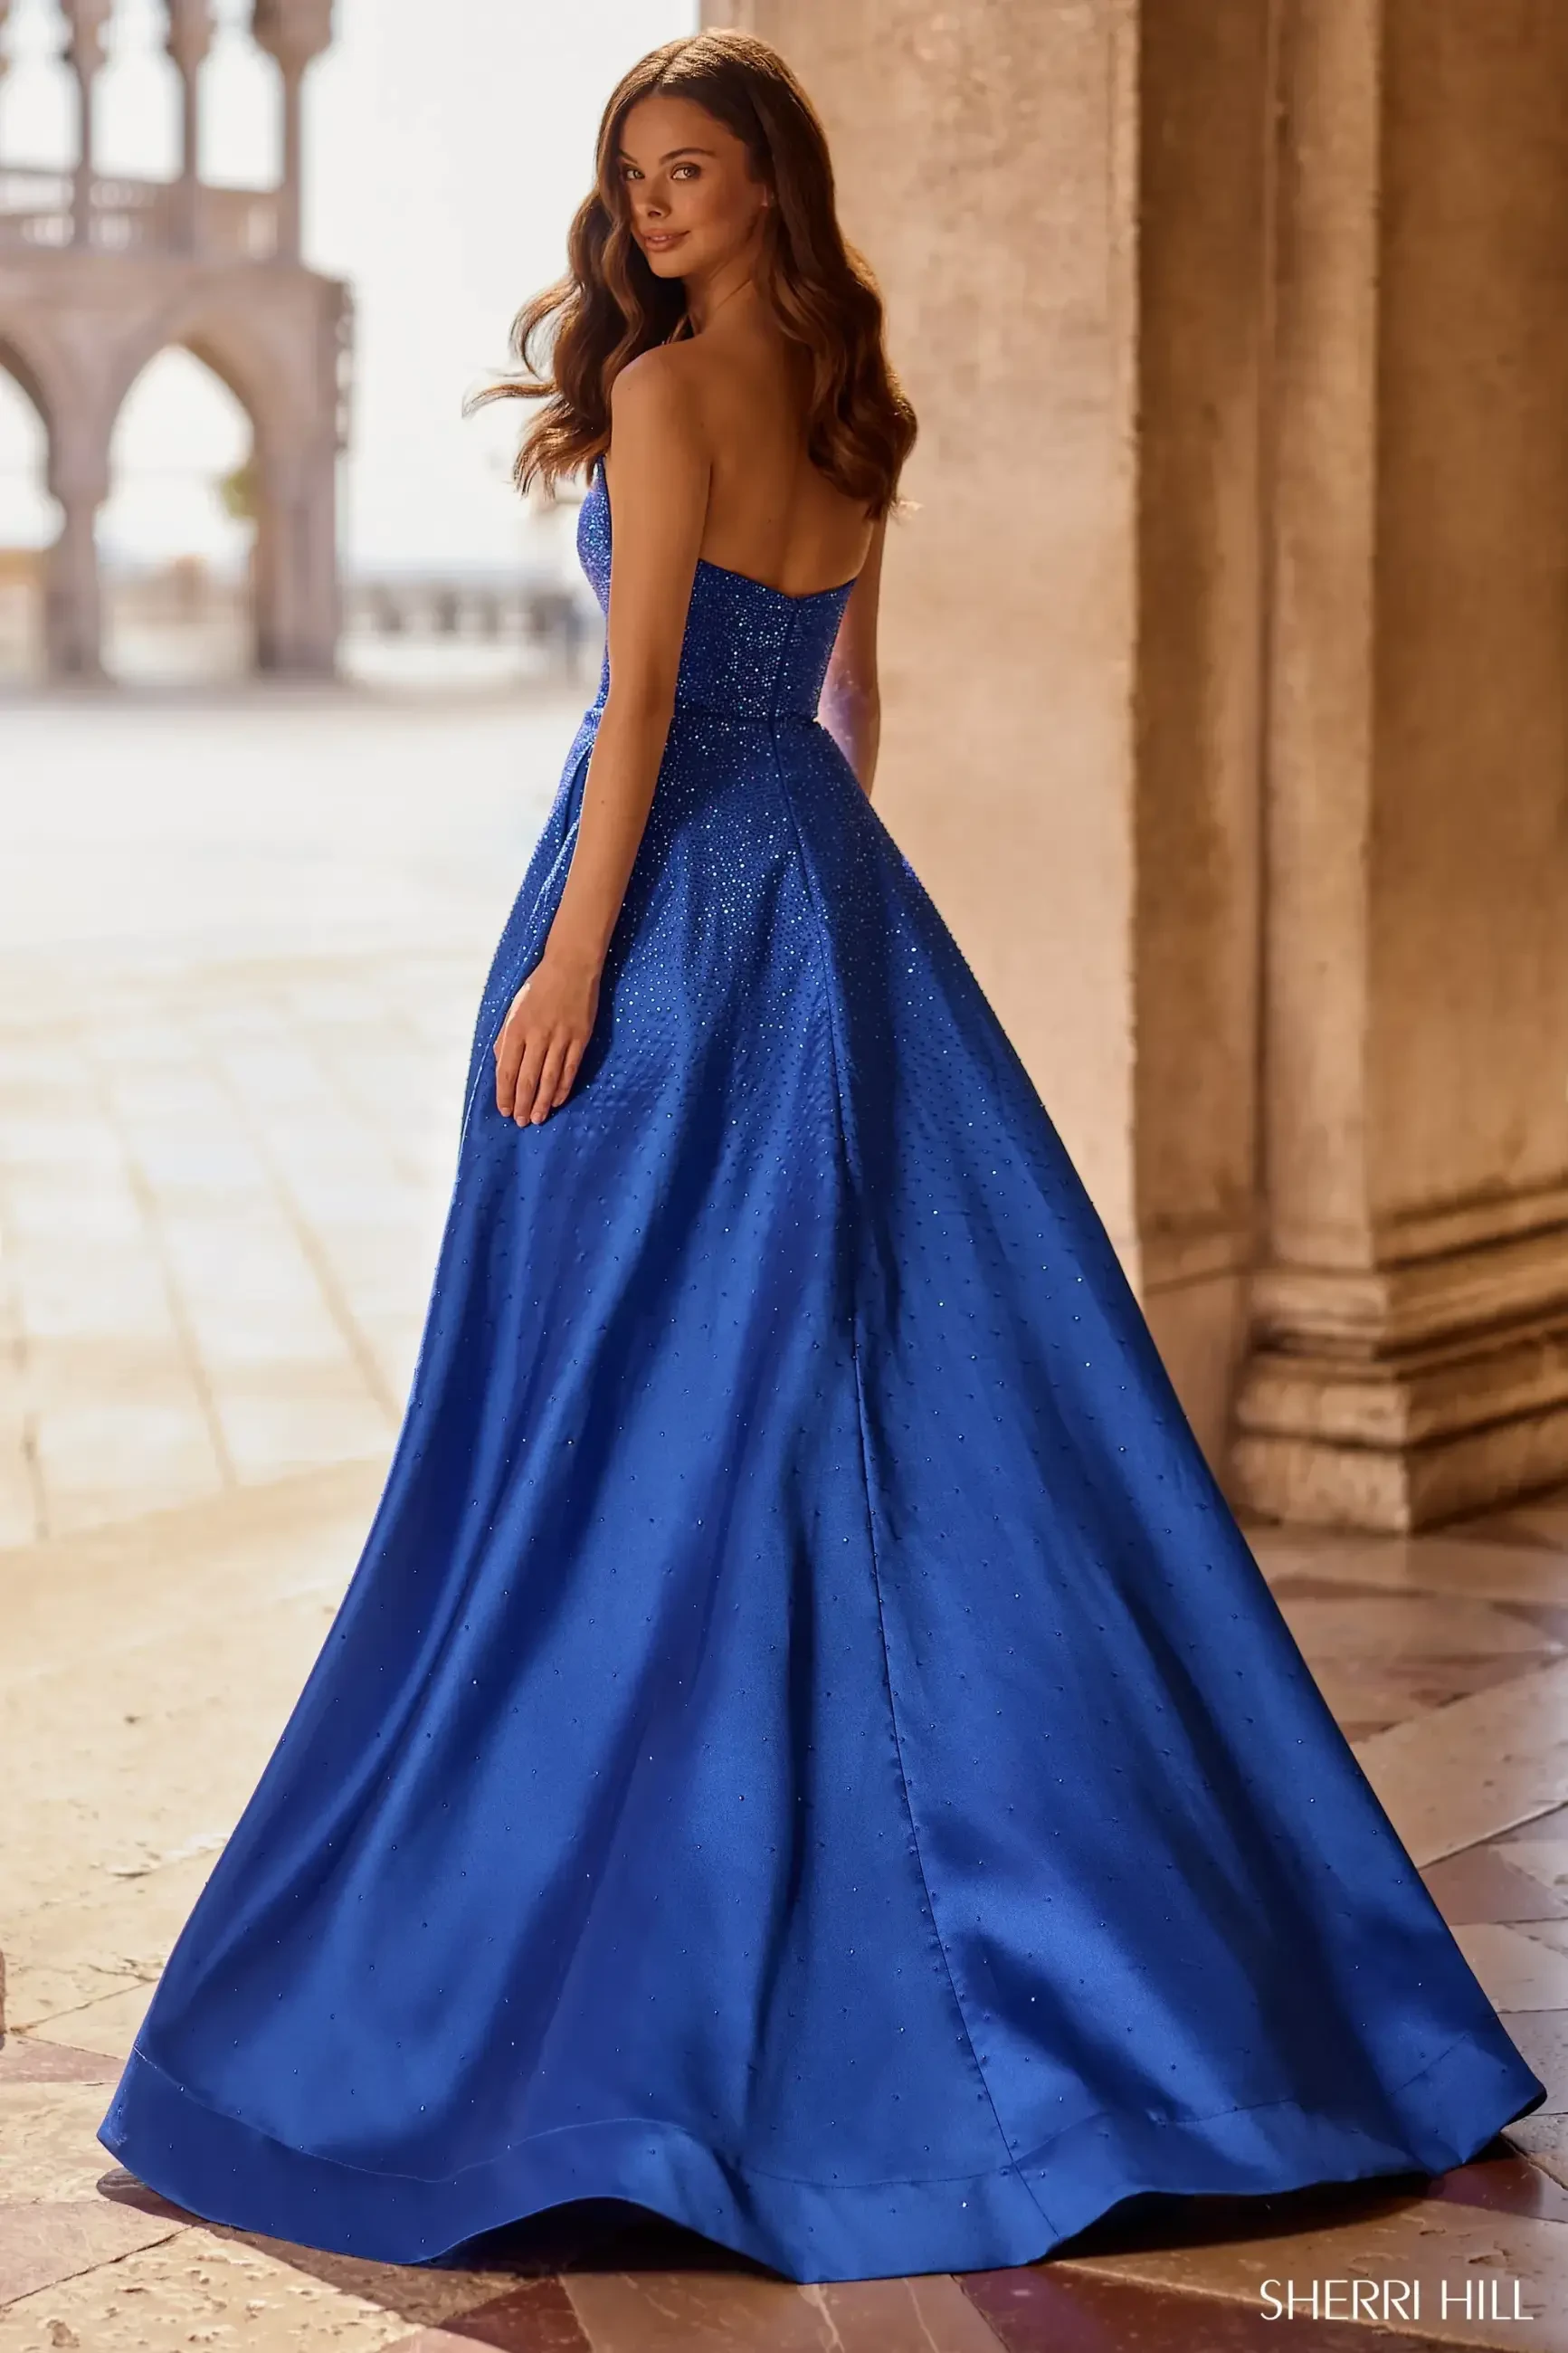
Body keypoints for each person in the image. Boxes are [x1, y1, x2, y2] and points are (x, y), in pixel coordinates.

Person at [101, 28, 1545, 2288]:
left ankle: (598, 1931)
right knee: (843, 1411)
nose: (650, 208)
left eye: (686, 172)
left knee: (586, 1430)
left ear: (770, 184)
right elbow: (854, 710)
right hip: (832, 913)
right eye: (633, 175)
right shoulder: (863, 420)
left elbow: (651, 705)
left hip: (661, 907)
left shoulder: (672, 398)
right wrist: (829, 930)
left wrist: (577, 973)